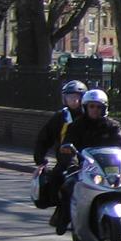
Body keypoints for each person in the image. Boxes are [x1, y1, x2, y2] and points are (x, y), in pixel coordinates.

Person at [51, 88, 121, 235]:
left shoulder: (112, 126)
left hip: (108, 169)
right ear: (85, 107)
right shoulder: (77, 126)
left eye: (98, 107)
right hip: (84, 168)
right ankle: (63, 217)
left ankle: (120, 223)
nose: (95, 110)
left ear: (104, 108)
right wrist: (71, 164)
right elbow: (69, 147)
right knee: (68, 186)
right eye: (91, 106)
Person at [33, 80, 86, 211]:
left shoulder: (90, 115)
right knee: (57, 184)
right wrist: (40, 160)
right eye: (70, 97)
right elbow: (44, 138)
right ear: (64, 99)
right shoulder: (61, 117)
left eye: (77, 97)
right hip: (66, 160)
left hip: (90, 160)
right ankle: (61, 214)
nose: (74, 100)